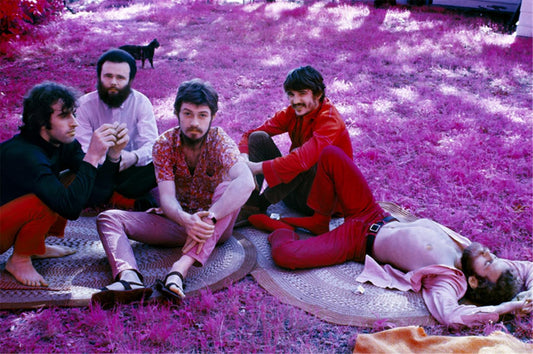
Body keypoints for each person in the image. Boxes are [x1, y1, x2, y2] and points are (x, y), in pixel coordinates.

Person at [259, 146, 532, 327]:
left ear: (473, 280)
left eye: (487, 262)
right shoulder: (468, 251)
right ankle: (318, 220)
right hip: (373, 213)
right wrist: (528, 294)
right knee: (331, 153)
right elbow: (527, 268)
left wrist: (509, 307)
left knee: (285, 256)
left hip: (357, 241)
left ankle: (280, 230)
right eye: (492, 255)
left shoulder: (448, 281)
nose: (486, 252)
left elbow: (452, 315)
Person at [92, 79, 255, 307]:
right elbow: (167, 197)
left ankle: (178, 270)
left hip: (215, 226)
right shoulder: (164, 145)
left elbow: (247, 181)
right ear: (177, 113)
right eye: (187, 114)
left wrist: (209, 218)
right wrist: (185, 220)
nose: (194, 122)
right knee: (108, 218)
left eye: (202, 115)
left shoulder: (219, 141)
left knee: (227, 187)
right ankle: (129, 279)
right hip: (179, 221)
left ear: (213, 117)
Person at [0, 81, 128, 287]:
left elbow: (94, 193)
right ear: (41, 122)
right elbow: (70, 208)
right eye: (64, 116)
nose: (74, 123)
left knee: (70, 179)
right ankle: (19, 260)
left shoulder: (63, 144)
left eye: (73, 114)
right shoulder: (24, 155)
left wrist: (113, 155)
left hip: (8, 218)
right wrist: (93, 156)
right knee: (44, 200)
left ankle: (34, 246)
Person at [237, 65, 353, 222]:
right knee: (258, 138)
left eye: (302, 93)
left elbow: (303, 160)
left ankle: (260, 204)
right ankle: (249, 204)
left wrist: (255, 168)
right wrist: (245, 161)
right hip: (294, 192)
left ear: (318, 94)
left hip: (322, 204)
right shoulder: (293, 112)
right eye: (291, 94)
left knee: (306, 157)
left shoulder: (330, 120)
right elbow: (250, 134)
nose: (295, 100)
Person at [76, 48, 159, 210]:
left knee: (161, 164)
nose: (113, 82)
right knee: (78, 168)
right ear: (99, 77)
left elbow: (151, 146)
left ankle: (112, 196)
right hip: (97, 170)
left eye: (120, 77)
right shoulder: (84, 105)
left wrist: (133, 157)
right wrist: (110, 162)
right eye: (108, 76)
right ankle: (120, 198)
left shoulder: (141, 103)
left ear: (130, 80)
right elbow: (83, 149)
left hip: (131, 168)